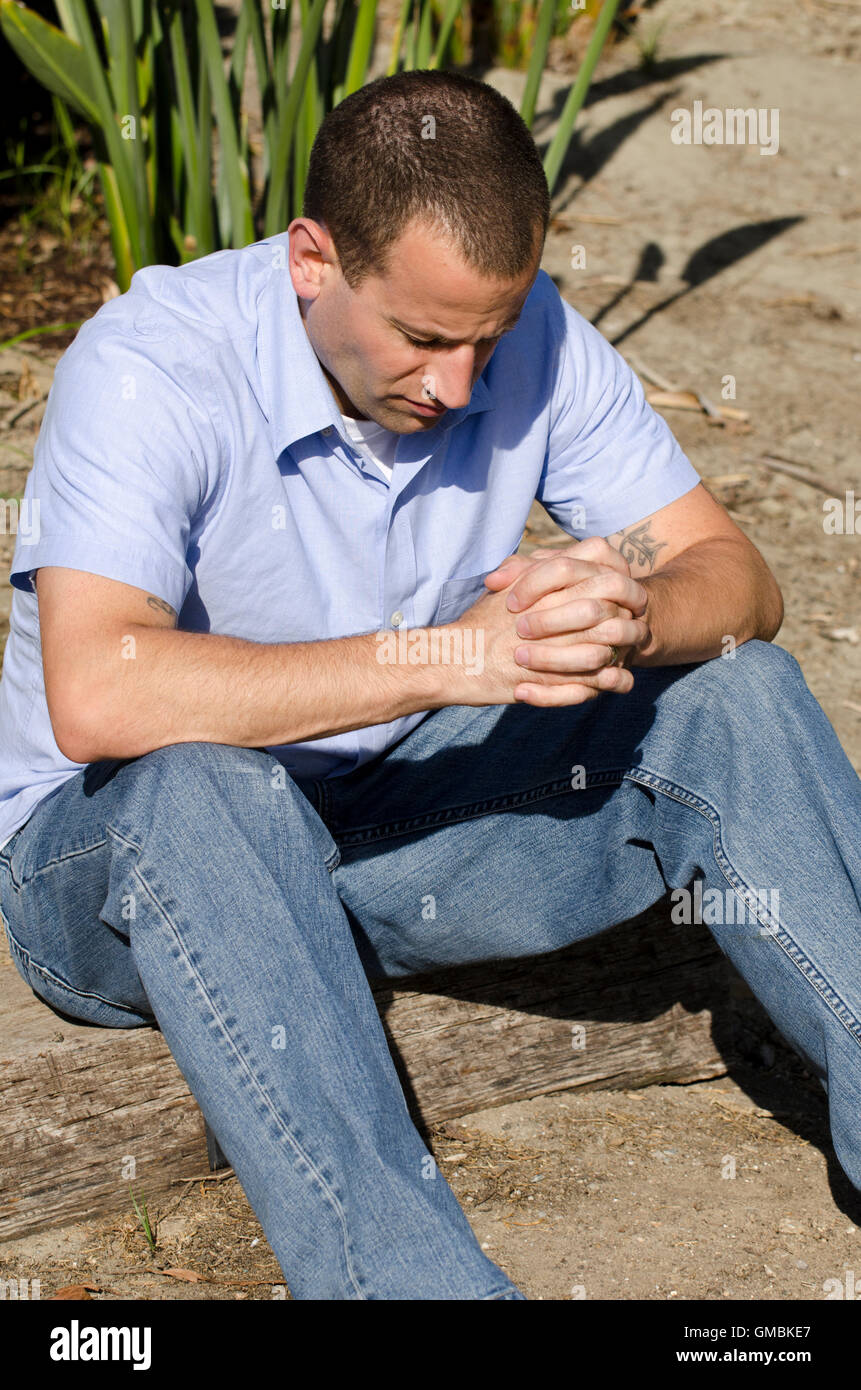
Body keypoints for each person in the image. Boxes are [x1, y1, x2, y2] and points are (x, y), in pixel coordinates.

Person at [0, 68, 859, 1301]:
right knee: (207, 788)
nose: (458, 386)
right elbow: (100, 692)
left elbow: (741, 580)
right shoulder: (151, 367)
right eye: (419, 338)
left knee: (738, 691)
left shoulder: (534, 333)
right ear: (311, 260)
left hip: (382, 830)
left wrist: (640, 606)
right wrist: (456, 654)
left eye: (488, 341)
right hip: (116, 864)